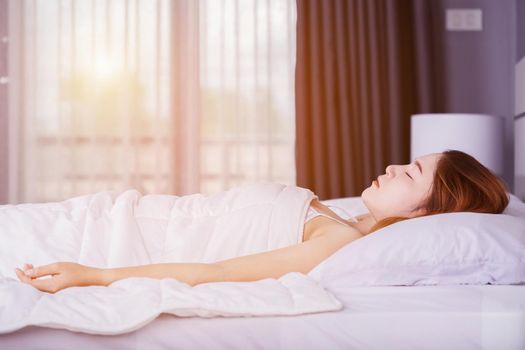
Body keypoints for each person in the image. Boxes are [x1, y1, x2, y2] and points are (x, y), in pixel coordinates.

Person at [14, 150, 509, 294]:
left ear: (429, 211)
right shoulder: (343, 217)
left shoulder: (333, 240)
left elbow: (218, 274)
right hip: (116, 212)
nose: (394, 167)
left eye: (413, 172)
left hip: (111, 240)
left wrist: (95, 275)